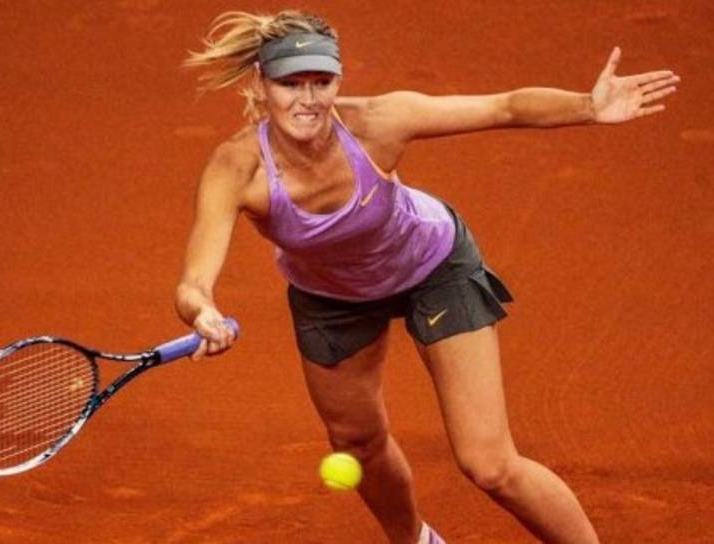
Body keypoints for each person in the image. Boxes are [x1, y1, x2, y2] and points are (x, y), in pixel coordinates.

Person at [174, 10, 678, 544]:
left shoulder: (378, 122)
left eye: (321, 81)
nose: (308, 99)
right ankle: (414, 539)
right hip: (332, 296)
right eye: (290, 84)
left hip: (432, 266)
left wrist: (587, 107)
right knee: (356, 442)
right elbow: (193, 284)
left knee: (489, 464)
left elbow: (504, 107)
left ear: (339, 80)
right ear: (261, 84)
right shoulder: (236, 168)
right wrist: (203, 312)